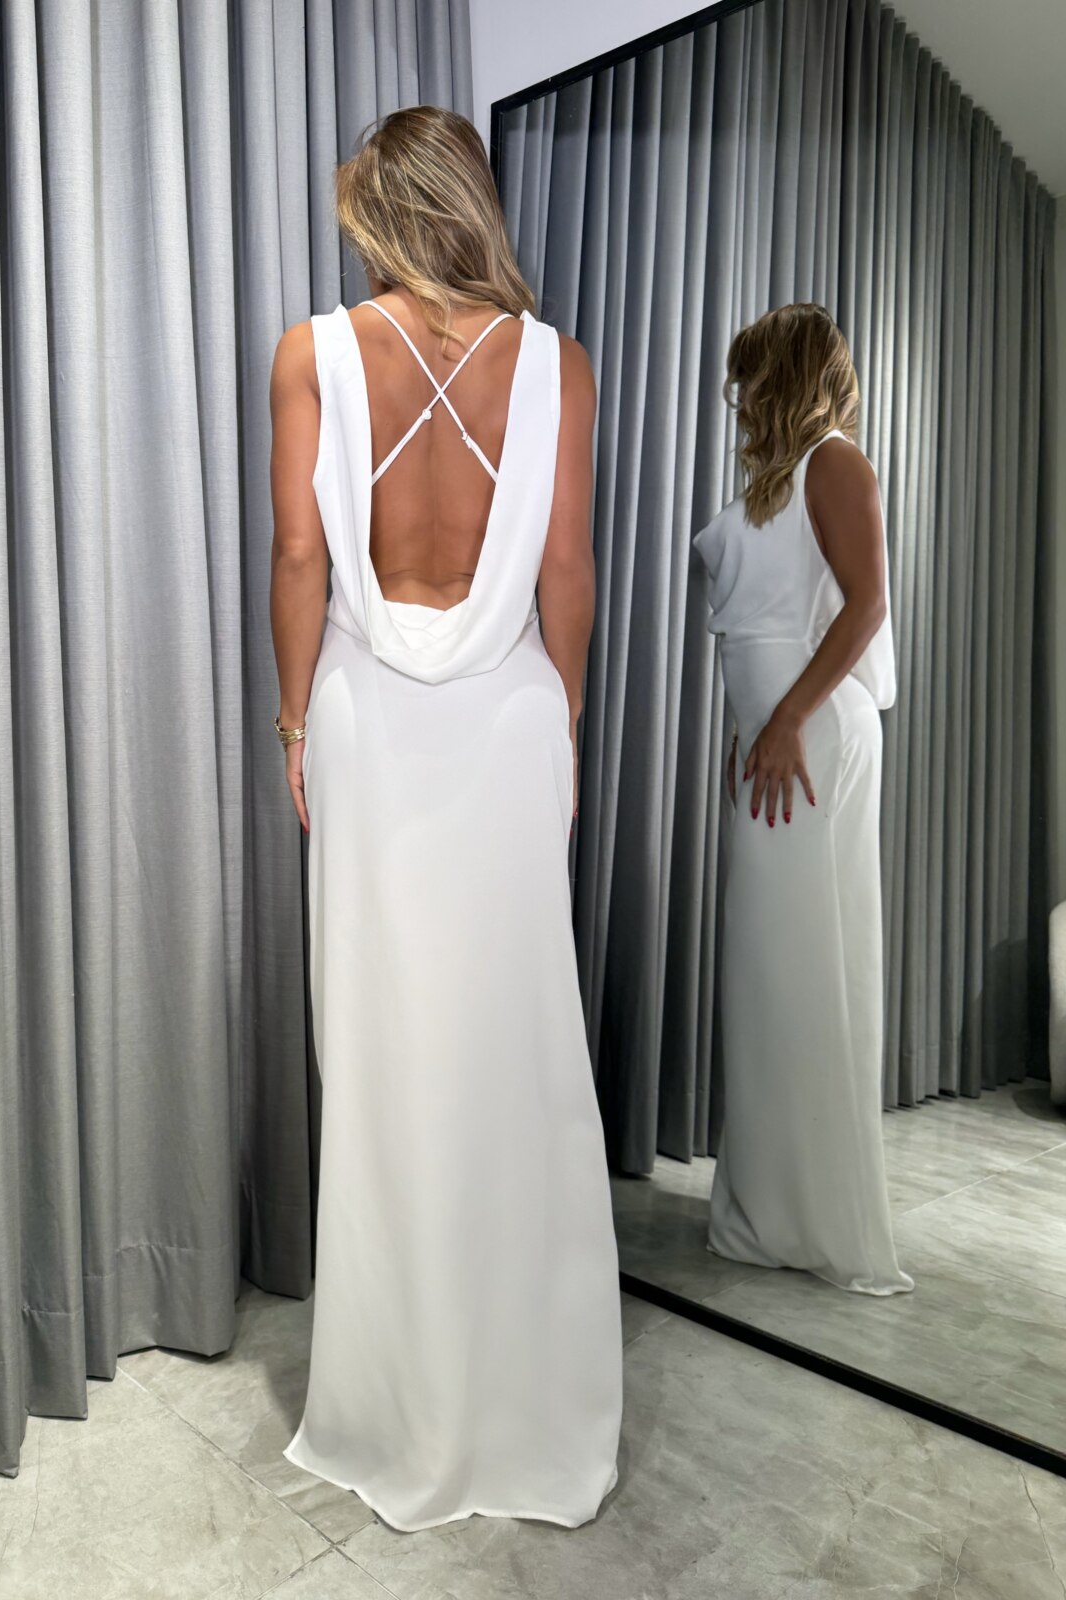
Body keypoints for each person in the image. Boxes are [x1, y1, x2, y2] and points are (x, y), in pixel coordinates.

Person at [267, 105, 623, 1532]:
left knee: (382, 1050)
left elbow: (301, 553)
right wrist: (566, 718)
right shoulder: (559, 365)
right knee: (512, 1047)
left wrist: (294, 722)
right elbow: (568, 573)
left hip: (369, 720)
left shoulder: (311, 353)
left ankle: (395, 1398)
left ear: (383, 209)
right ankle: (519, 1396)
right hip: (506, 723)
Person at [692, 303, 914, 1297]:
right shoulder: (784, 480)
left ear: (785, 376)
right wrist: (755, 728)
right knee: (769, 973)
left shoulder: (835, 463)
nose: (738, 397)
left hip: (812, 741)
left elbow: (867, 605)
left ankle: (815, 1215)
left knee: (806, 967)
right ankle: (768, 1207)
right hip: (778, 743)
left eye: (750, 376)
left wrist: (781, 720)